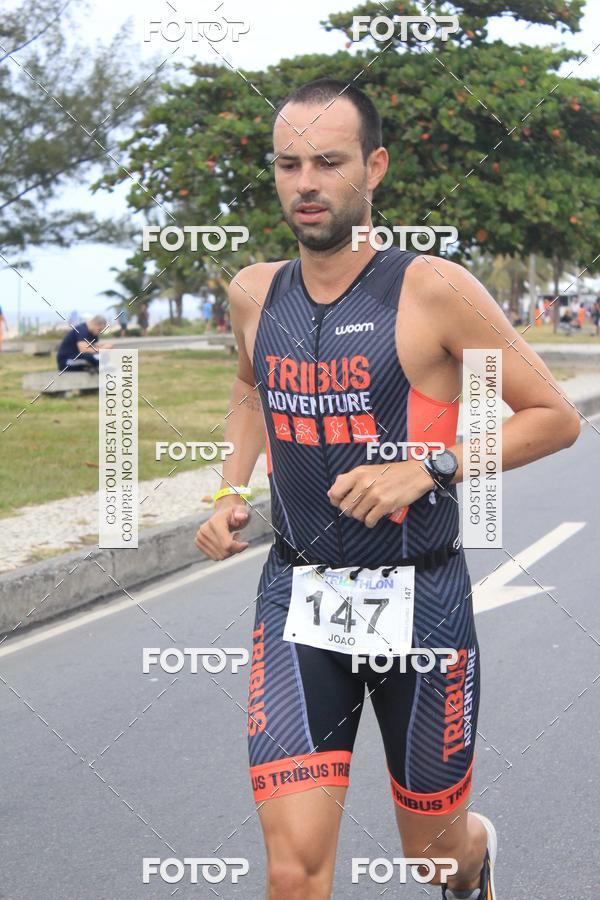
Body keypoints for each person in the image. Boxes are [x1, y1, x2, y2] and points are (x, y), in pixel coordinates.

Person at [195, 78, 580, 899]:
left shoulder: (434, 289)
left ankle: (471, 871)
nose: (306, 182)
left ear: (374, 167)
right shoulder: (253, 293)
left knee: (435, 856)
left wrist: (433, 465)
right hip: (298, 594)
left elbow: (554, 416)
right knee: (294, 869)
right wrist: (228, 491)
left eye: (328, 162)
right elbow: (251, 388)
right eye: (289, 163)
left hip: (423, 601)